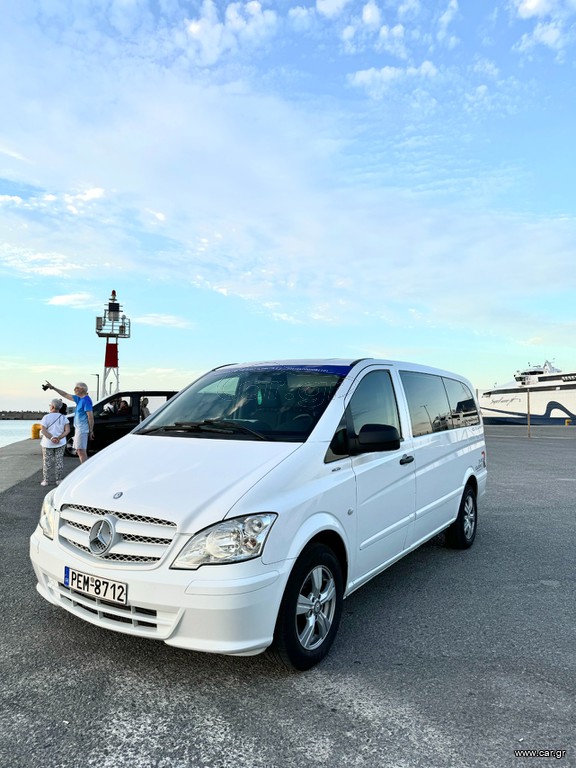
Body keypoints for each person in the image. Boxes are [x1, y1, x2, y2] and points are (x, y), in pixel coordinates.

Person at [44, 380, 94, 463]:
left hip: (82, 429)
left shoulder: (86, 400)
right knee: (79, 450)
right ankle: (85, 468)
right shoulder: (79, 399)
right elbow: (65, 394)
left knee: (81, 450)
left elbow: (90, 417)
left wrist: (91, 431)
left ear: (82, 389)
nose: (74, 389)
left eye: (76, 388)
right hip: (78, 429)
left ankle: (85, 469)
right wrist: (53, 388)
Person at [39, 398, 70, 486]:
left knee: (47, 461)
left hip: (47, 443)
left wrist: (52, 438)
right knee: (59, 461)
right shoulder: (64, 418)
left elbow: (43, 430)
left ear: (52, 406)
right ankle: (58, 480)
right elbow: (67, 431)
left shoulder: (46, 417)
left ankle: (46, 480)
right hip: (60, 443)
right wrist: (59, 438)